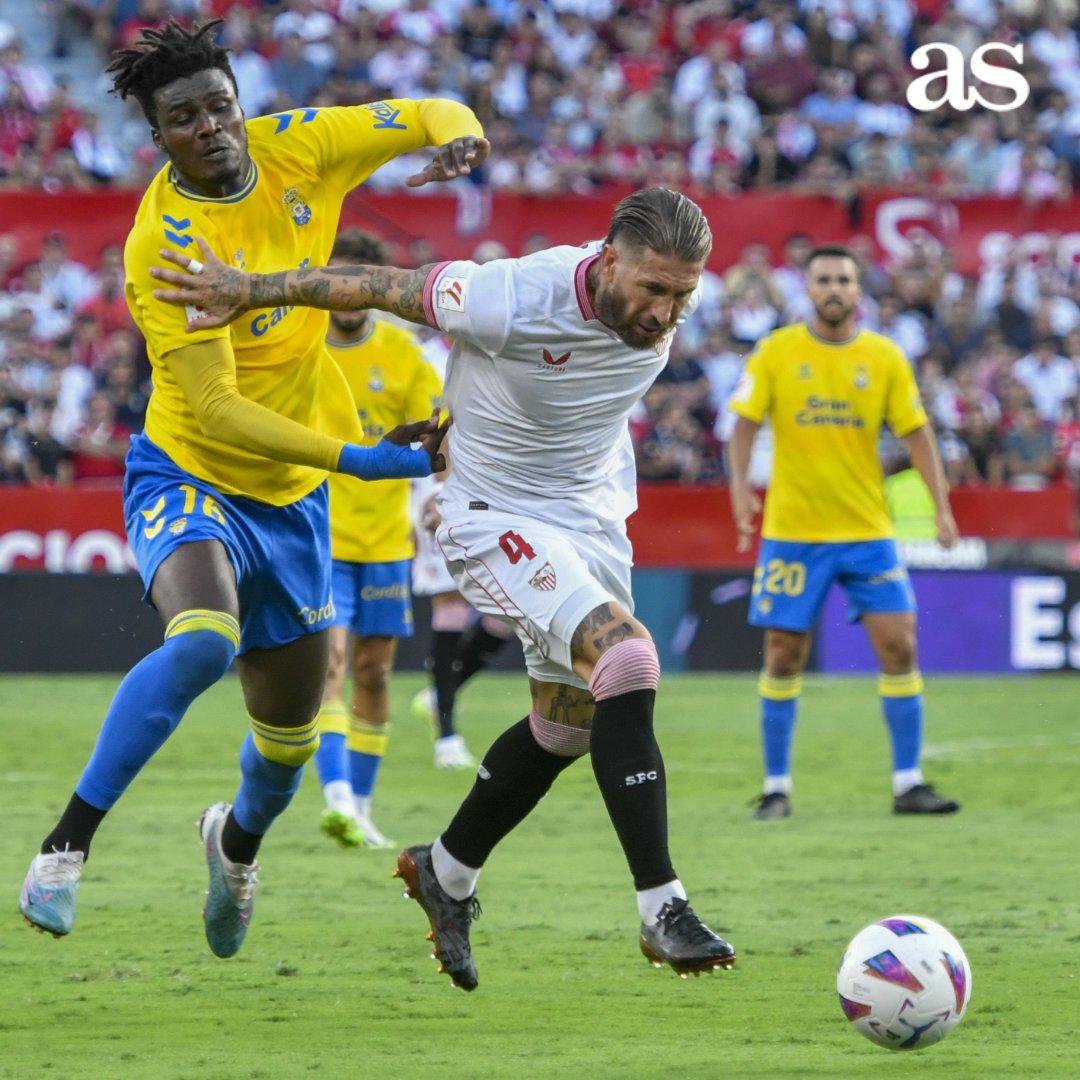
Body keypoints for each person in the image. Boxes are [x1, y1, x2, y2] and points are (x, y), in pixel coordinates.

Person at [147, 186, 738, 990]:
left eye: (684, 294)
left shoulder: (653, 312)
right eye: (654, 288)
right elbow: (376, 284)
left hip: (592, 517)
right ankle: (663, 908)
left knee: (566, 725)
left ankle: (447, 871)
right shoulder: (509, 295)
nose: (667, 311)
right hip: (491, 511)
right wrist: (247, 288)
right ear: (607, 261)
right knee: (627, 661)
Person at [18, 18, 480, 957]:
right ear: (158, 136)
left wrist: (461, 138)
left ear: (241, 102)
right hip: (191, 470)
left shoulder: (301, 146)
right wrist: (360, 460)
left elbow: (428, 111)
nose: (211, 128)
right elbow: (220, 410)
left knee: (287, 748)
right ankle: (65, 846)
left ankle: (233, 848)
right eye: (185, 118)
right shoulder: (165, 246)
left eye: (220, 106)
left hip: (292, 499)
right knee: (203, 641)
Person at [726, 245, 962, 821]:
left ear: (859, 291)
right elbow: (744, 425)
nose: (834, 288)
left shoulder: (884, 357)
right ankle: (776, 787)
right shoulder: (776, 350)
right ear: (809, 289)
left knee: (900, 645)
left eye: (844, 280)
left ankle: (909, 783)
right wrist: (739, 490)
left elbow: (917, 434)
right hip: (793, 532)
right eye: (824, 279)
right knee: (784, 656)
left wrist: (942, 508)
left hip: (867, 532)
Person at [312, 229, 443, 850]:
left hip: (388, 541)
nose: (348, 293)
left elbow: (438, 435)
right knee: (330, 664)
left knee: (374, 672)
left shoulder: (403, 354)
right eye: (337, 279)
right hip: (320, 538)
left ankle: (361, 809)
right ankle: (336, 798)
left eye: (359, 280)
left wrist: (439, 492)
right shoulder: (301, 346)